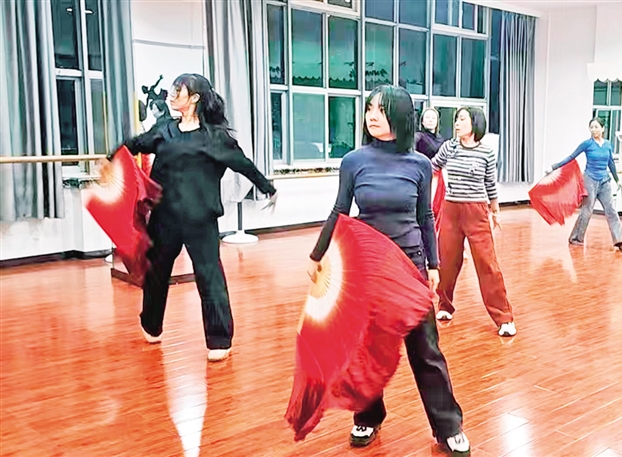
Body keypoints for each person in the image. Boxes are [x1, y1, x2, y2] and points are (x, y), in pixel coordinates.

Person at [307, 85, 469, 456]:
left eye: (380, 109)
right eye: (369, 109)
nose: (372, 115)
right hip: (367, 265)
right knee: (365, 346)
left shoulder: (420, 164)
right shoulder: (354, 161)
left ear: (400, 116)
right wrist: (317, 254)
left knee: (426, 348)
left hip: (410, 264)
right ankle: (367, 415)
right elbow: (340, 210)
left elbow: (425, 216)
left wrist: (433, 264)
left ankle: (448, 426)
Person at [113, 73, 277, 362]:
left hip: (200, 220)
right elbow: (135, 144)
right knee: (156, 274)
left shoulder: (216, 138)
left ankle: (219, 338)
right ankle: (151, 324)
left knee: (209, 276)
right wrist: (111, 160)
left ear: (195, 98)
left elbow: (244, 165)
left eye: (179, 90)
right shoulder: (164, 130)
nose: (172, 94)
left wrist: (268, 188)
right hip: (164, 218)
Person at [431, 107, 516, 337]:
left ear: (475, 123)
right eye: (456, 120)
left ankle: (504, 317)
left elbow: (490, 184)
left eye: (462, 119)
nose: (457, 124)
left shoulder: (486, 152)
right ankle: (444, 305)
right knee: (447, 261)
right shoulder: (449, 147)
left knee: (487, 263)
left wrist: (495, 211)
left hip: (476, 211)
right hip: (451, 209)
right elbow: (432, 167)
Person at [546, 117, 622, 252]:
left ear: (603, 129)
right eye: (591, 127)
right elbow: (571, 157)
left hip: (604, 181)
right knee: (587, 210)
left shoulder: (607, 145)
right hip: (590, 180)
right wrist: (554, 167)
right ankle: (576, 238)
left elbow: (611, 163)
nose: (593, 129)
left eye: (596, 127)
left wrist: (617, 180)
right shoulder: (587, 144)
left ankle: (619, 240)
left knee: (611, 210)